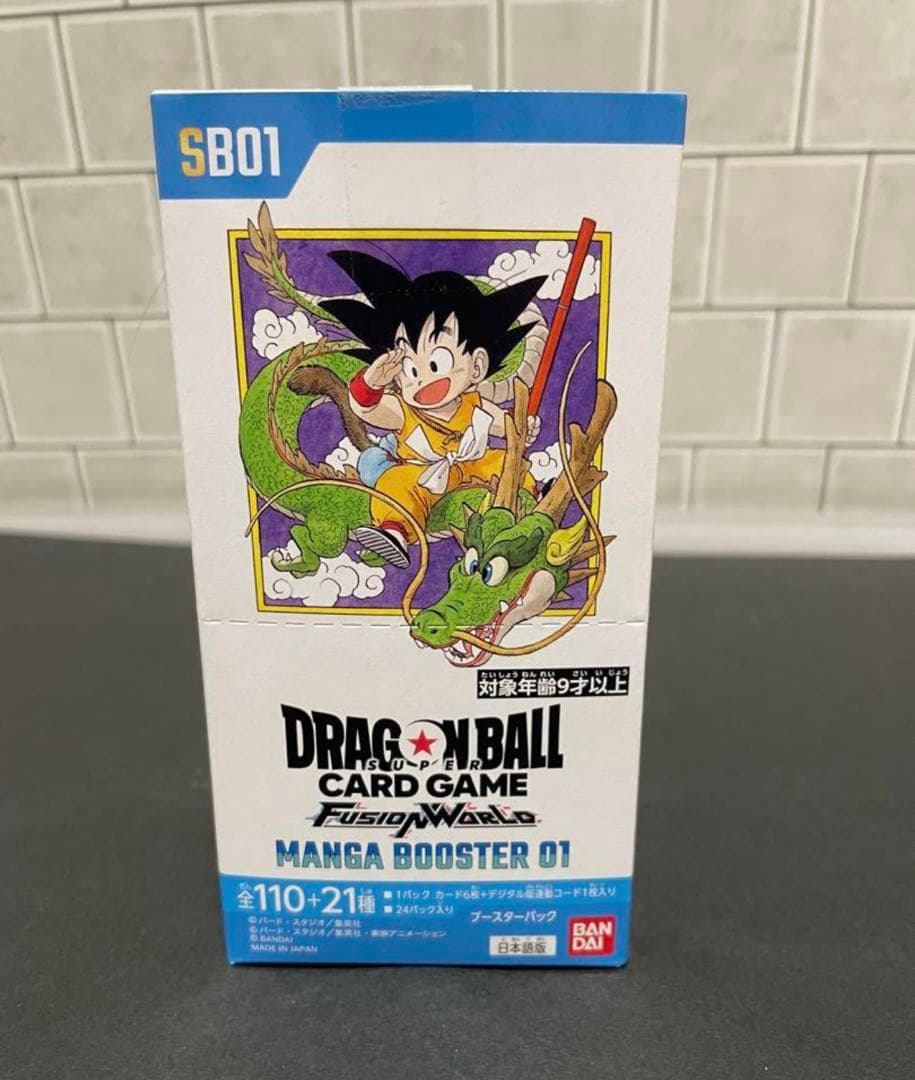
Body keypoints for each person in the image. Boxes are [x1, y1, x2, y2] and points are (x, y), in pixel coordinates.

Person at [323, 251, 544, 567]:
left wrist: (522, 428)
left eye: (437, 363)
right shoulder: (403, 410)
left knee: (505, 462)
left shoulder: (475, 404)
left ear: (477, 366)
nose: (422, 379)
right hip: (420, 473)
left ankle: (535, 500)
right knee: (395, 483)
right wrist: (371, 382)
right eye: (410, 369)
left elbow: (506, 426)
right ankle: (395, 532)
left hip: (472, 467)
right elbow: (365, 409)